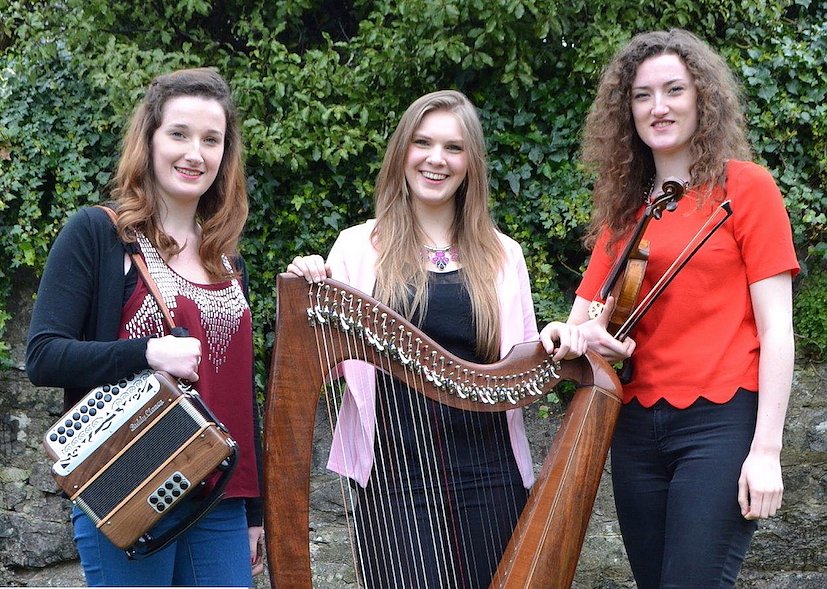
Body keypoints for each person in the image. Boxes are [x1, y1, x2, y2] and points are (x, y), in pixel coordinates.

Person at [288, 89, 585, 588]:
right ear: (402, 151)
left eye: (453, 147)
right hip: (393, 477)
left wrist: (553, 340)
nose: (436, 159)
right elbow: (323, 360)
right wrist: (309, 289)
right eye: (423, 142)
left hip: (490, 474)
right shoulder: (357, 248)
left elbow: (521, 368)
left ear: (471, 163)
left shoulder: (503, 254)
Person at [542, 29, 800, 588]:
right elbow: (581, 321)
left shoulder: (745, 188)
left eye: (674, 90)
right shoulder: (626, 214)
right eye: (642, 95)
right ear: (627, 111)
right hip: (635, 430)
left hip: (721, 421)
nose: (658, 107)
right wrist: (570, 334)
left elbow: (778, 329)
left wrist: (767, 450)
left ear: (702, 98)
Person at [26, 68, 264, 587]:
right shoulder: (98, 233)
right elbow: (43, 355)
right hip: (129, 486)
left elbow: (239, 390)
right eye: (178, 134)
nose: (194, 153)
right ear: (150, 139)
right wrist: (147, 352)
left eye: (211, 140)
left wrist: (254, 512)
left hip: (220, 500)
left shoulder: (228, 260)